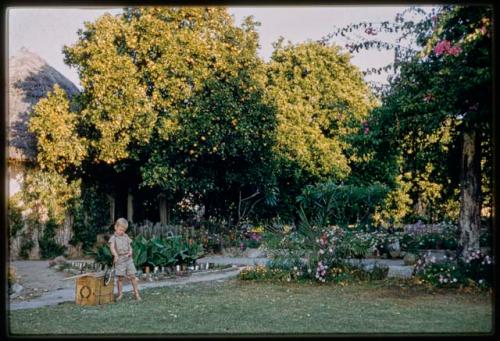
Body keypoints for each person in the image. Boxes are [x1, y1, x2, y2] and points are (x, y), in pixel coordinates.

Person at [108, 218, 141, 301]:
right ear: (116, 227)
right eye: (120, 230)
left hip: (128, 259)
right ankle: (120, 295)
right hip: (119, 259)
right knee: (120, 278)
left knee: (133, 276)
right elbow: (112, 248)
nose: (122, 232)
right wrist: (115, 255)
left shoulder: (126, 237)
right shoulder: (113, 238)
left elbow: (130, 247)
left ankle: (136, 294)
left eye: (124, 230)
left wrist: (130, 252)